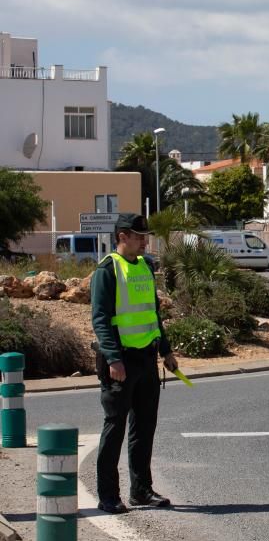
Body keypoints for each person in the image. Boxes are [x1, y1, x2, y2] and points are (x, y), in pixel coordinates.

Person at [91, 213, 178, 513]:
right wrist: (114, 358)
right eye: (139, 236)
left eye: (145, 236)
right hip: (121, 361)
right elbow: (101, 321)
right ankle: (107, 495)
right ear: (122, 237)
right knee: (114, 428)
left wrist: (166, 351)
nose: (145, 241)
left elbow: (152, 313)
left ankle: (141, 491)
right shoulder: (107, 270)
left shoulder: (145, 266)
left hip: (146, 358)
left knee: (144, 428)